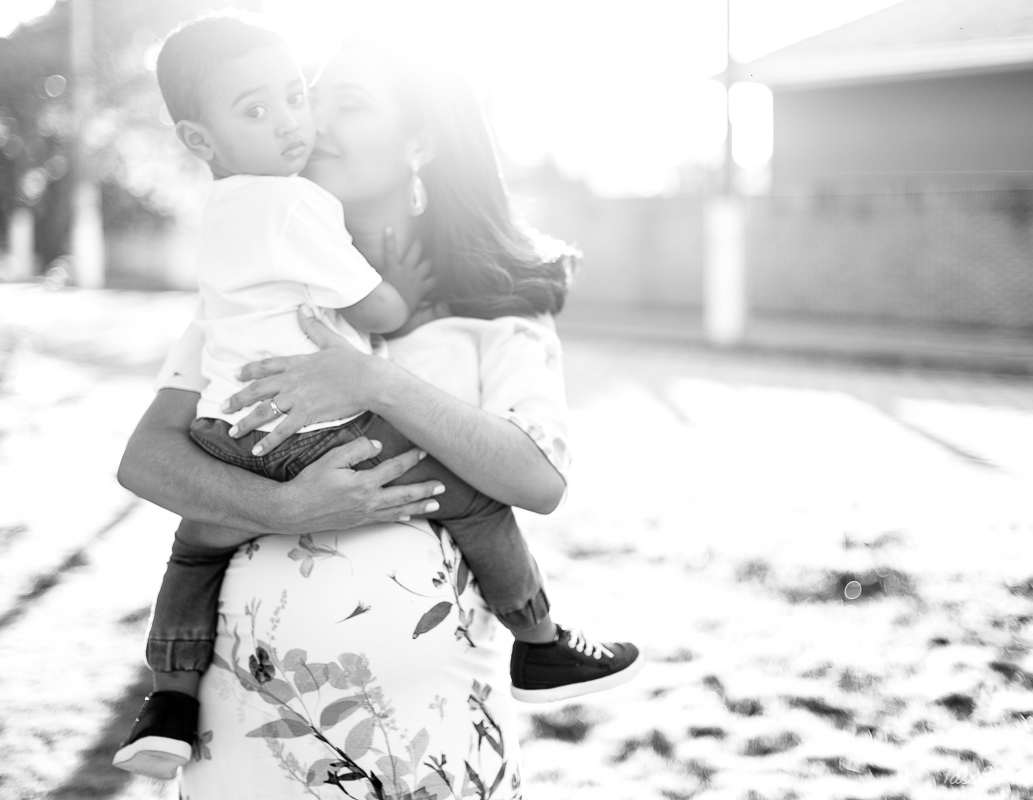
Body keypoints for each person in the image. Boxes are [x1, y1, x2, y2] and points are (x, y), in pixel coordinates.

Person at [112, 13, 642, 780]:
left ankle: (543, 642)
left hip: (438, 745)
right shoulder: (260, 292)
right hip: (250, 746)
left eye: (346, 104)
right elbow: (145, 460)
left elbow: (539, 480)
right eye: (309, 97)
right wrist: (284, 509)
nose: (312, 121)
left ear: (420, 140)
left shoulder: (497, 312)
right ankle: (171, 698)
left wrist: (374, 381)